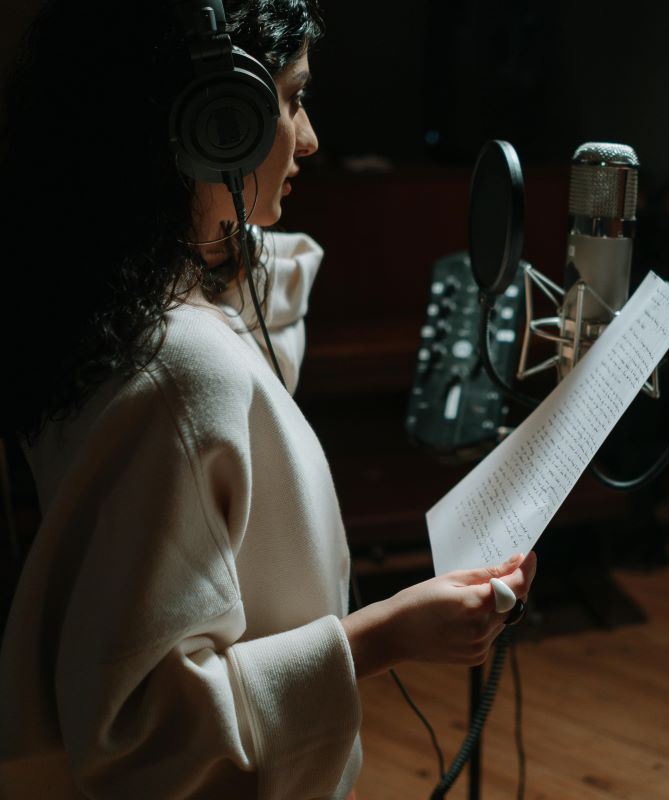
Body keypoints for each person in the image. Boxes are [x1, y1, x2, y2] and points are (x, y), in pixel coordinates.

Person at [0, 1, 536, 797]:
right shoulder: (180, 375)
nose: (310, 137)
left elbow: (254, 337)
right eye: (290, 99)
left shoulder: (106, 307)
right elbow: (138, 729)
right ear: (218, 125)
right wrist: (384, 634)